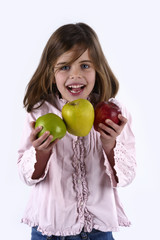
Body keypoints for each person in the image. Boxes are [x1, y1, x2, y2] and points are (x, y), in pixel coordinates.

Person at [17, 22, 136, 240]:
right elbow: (26, 176)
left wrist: (109, 145)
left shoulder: (113, 114)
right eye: (64, 67)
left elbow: (126, 177)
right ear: (51, 73)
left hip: (98, 232)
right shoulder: (40, 113)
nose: (75, 75)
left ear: (98, 69)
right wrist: (41, 153)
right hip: (49, 232)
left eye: (85, 66)